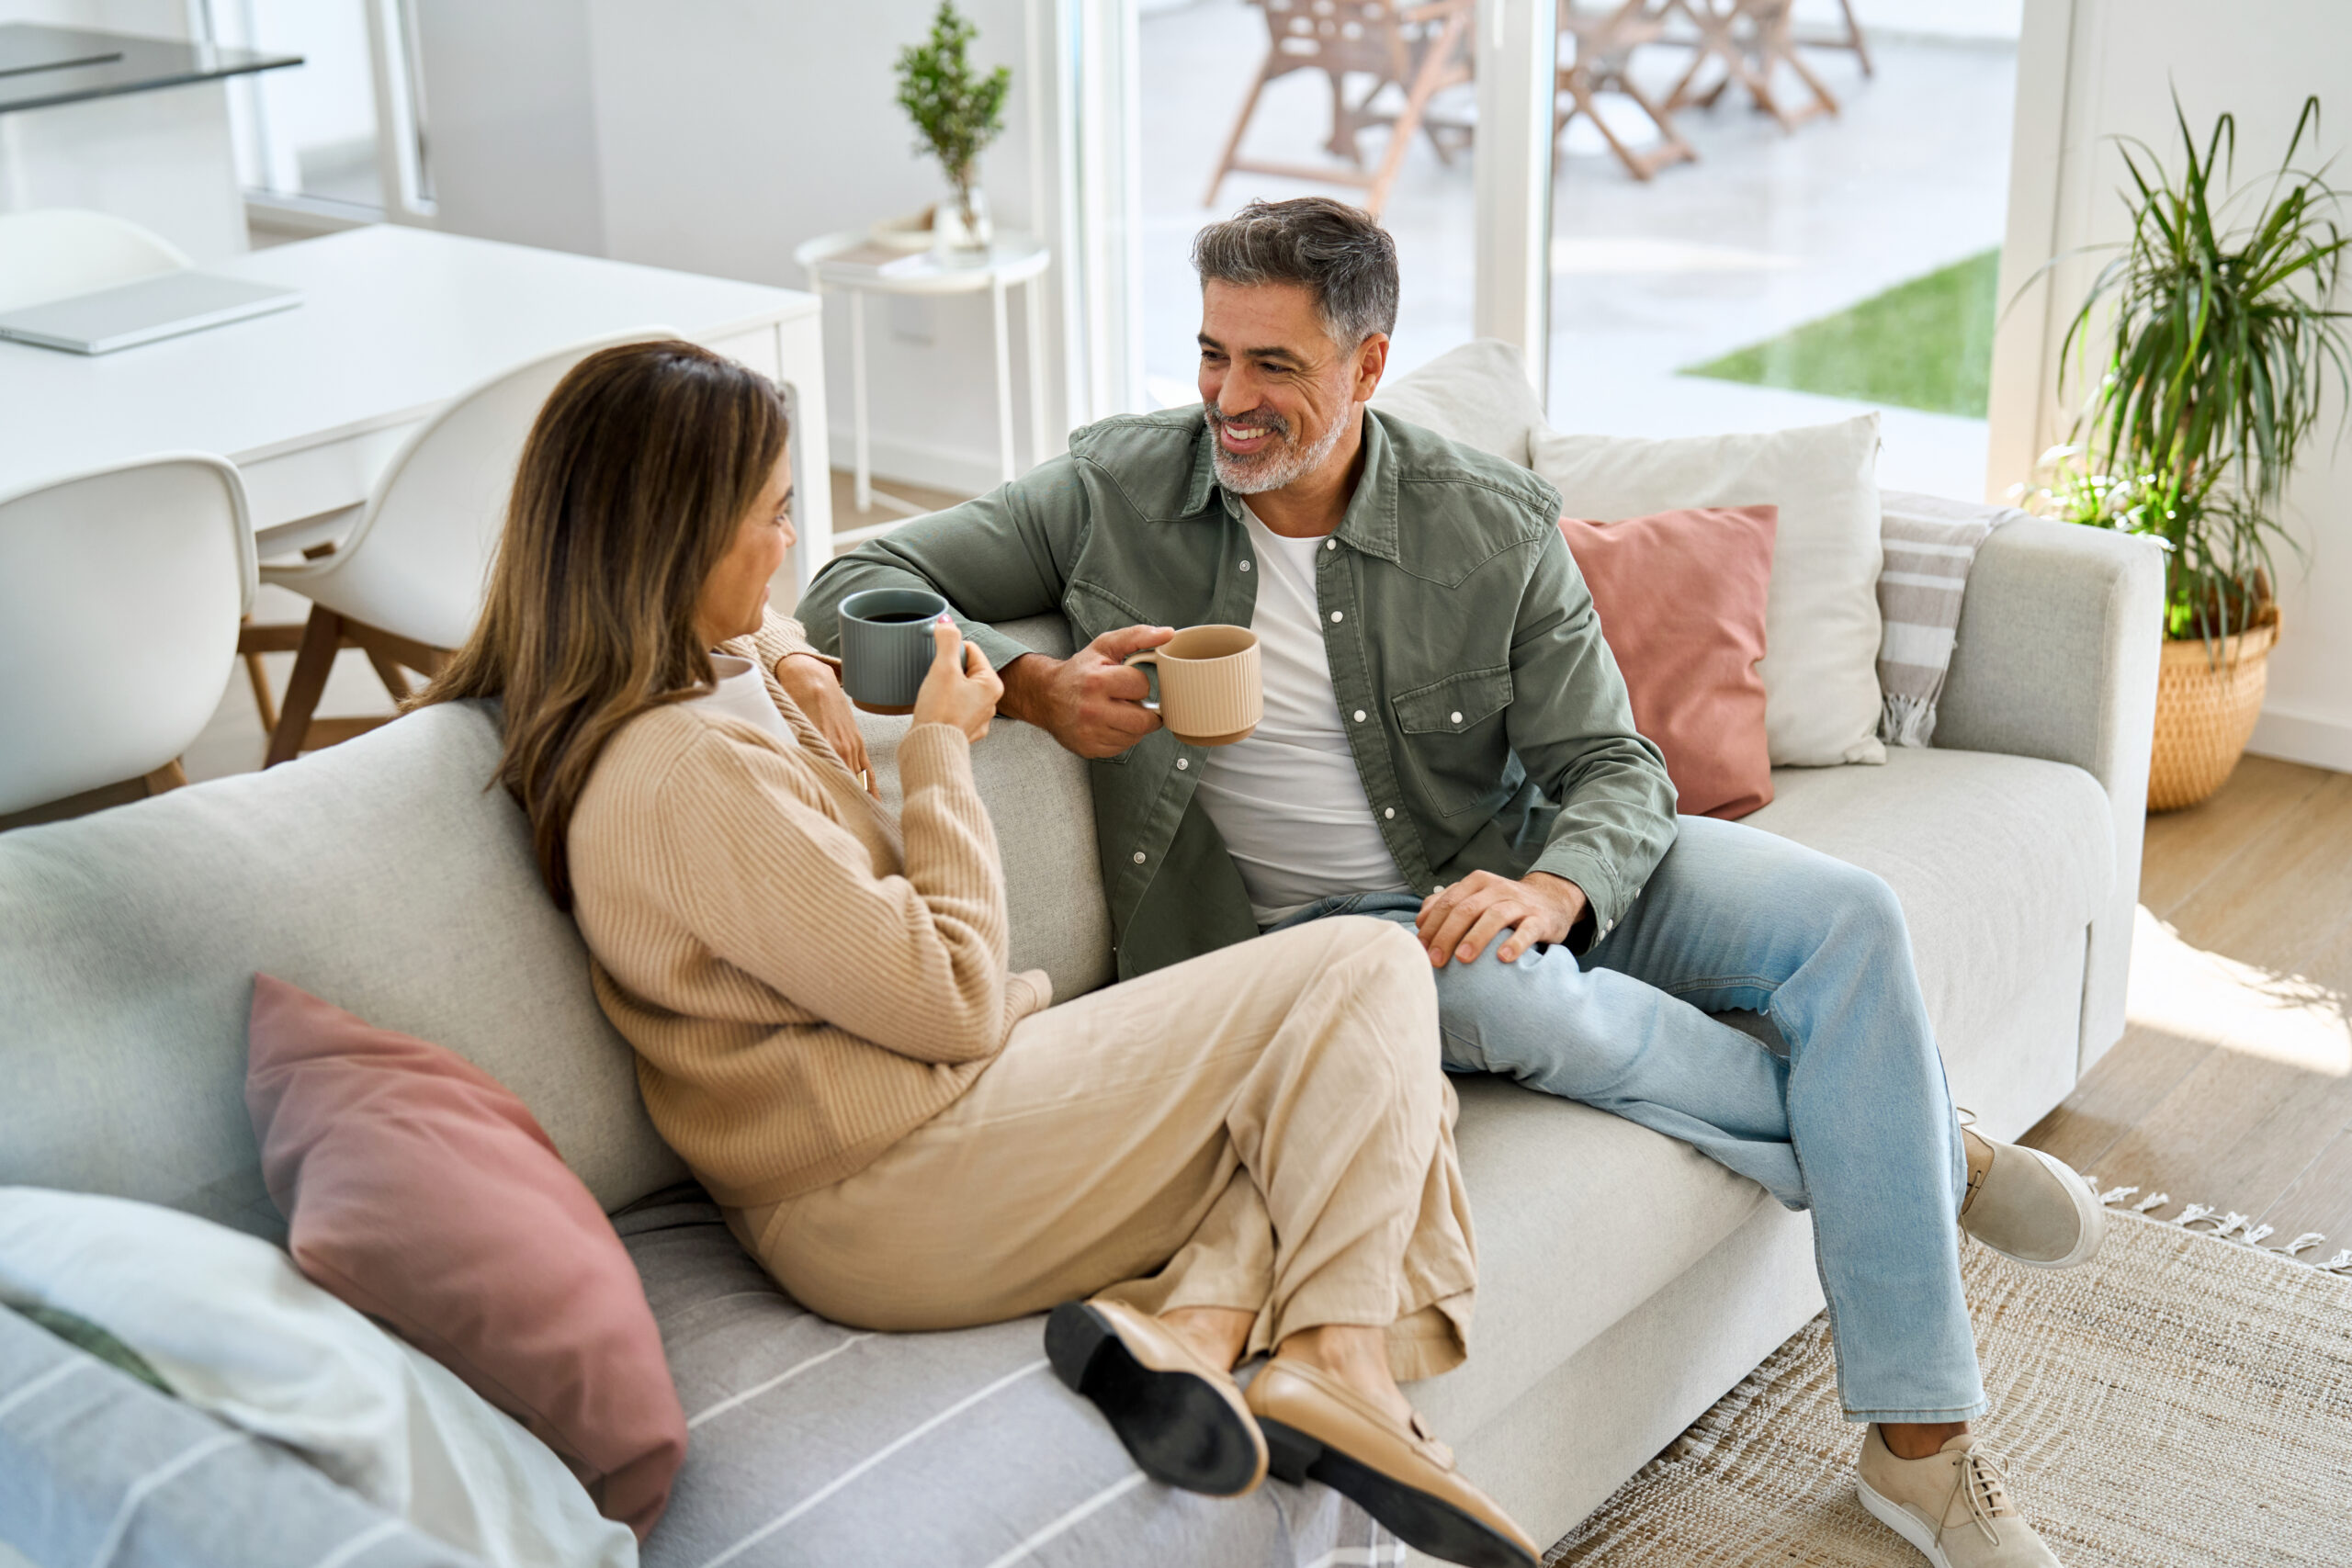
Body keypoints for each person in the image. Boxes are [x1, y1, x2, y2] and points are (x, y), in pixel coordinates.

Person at [797, 198, 2109, 1568]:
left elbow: (1613, 763)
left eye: (1274, 368)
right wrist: (1027, 685)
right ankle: (1912, 1174)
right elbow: (852, 581)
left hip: (1513, 851)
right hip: (1315, 950)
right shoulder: (1113, 490)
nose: (1228, 404)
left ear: (1367, 368)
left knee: (1851, 919)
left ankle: (1911, 1416)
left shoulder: (1483, 521)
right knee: (1535, 1009)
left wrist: (1553, 887)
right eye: (1211, 357)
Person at [412, 339, 1541, 1568]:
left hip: (904, 1143)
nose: (789, 542)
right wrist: (943, 750)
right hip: (877, 1192)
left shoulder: (674, 676)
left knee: (1372, 1080)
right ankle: (1337, 1358)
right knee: (1368, 971)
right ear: (674, 541)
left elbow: (768, 618)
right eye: (773, 516)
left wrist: (791, 655)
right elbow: (950, 998)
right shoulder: (682, 774)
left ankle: (1199, 1340)